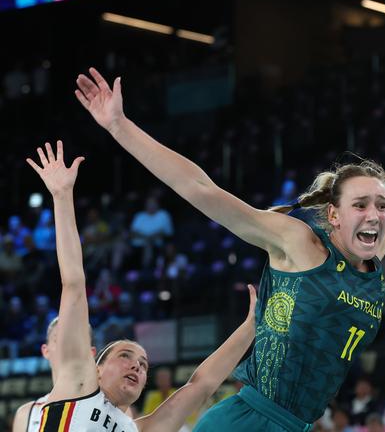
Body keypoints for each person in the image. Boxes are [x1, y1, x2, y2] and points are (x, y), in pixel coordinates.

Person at [75, 69, 385, 431]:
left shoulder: (369, 260)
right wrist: (119, 126)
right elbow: (201, 189)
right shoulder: (301, 244)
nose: (375, 215)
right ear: (334, 215)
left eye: (380, 204)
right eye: (360, 205)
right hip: (248, 420)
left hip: (299, 426)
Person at [25, 141, 257, 432]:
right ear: (96, 368)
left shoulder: (140, 429)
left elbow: (202, 385)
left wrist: (252, 326)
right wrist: (61, 195)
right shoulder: (77, 383)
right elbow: (73, 283)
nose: (137, 366)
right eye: (126, 356)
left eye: (144, 364)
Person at [12, 317, 96, 432]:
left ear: (91, 353)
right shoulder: (26, 415)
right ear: (46, 351)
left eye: (76, 340)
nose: (67, 347)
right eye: (60, 340)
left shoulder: (114, 410)